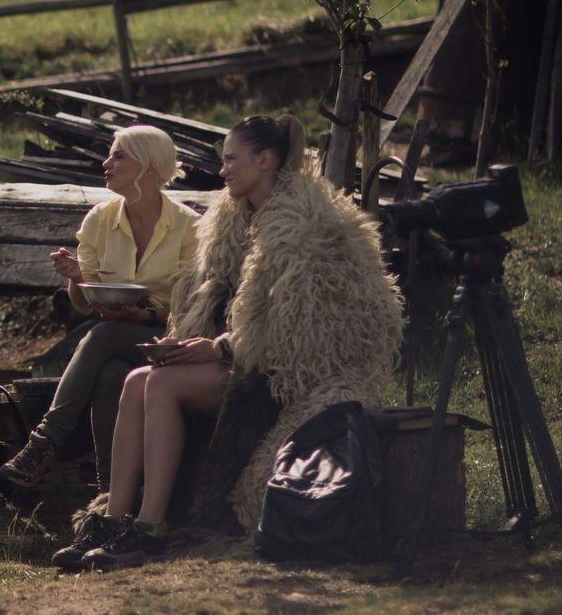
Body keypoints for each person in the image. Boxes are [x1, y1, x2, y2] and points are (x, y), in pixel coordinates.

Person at [54, 114, 404, 570]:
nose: (223, 171)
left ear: (265, 160)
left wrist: (219, 348)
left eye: (232, 159)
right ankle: (115, 518)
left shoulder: (306, 227)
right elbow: (212, 300)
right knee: (139, 380)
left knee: (158, 385)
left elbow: (301, 330)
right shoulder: (232, 222)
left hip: (287, 374)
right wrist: (187, 342)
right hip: (239, 357)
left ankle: (150, 528)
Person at [0, 125, 198, 489]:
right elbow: (83, 304)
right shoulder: (100, 220)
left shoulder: (189, 227)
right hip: (120, 336)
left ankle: (44, 442)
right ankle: (109, 491)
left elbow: (195, 308)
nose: (106, 163)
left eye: (119, 155)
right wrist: (76, 275)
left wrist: (148, 315)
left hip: (172, 337)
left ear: (149, 168)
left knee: (103, 335)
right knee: (110, 373)